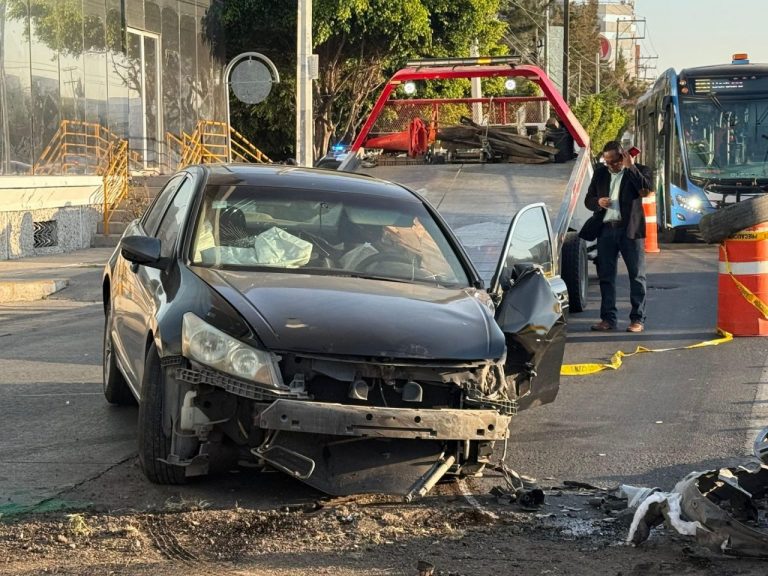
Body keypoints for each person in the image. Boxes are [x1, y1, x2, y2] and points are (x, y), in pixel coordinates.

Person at [585, 141, 653, 333]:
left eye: (614, 161)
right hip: (606, 230)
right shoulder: (600, 173)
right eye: (607, 162)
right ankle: (608, 319)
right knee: (606, 276)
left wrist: (631, 167)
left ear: (623, 156)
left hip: (630, 230)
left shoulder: (640, 171)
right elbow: (588, 200)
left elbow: (645, 190)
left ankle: (637, 319)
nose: (611, 166)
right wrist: (598, 201)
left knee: (637, 276)